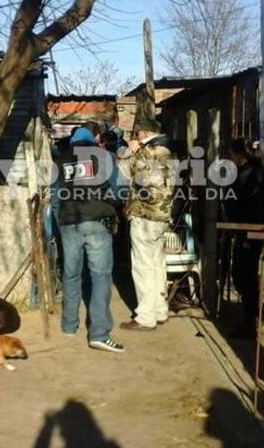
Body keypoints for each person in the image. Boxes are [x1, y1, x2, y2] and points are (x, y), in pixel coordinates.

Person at [54, 125, 125, 353]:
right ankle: (99, 333)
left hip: (69, 222)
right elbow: (120, 189)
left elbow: (55, 194)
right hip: (96, 221)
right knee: (101, 276)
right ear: (95, 138)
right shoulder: (104, 156)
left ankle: (68, 325)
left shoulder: (61, 159)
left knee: (71, 274)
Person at [117, 118, 175, 332]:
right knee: (157, 264)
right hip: (162, 215)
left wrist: (129, 152)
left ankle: (145, 317)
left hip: (144, 215)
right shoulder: (169, 150)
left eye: (135, 134)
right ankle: (160, 310)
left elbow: (124, 172)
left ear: (142, 133)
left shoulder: (147, 151)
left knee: (143, 267)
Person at [223, 138, 264, 338]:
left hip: (249, 231)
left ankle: (250, 320)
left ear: (241, 155)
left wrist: (244, 235)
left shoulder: (251, 174)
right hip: (246, 231)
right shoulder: (252, 171)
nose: (230, 158)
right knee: (243, 275)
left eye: (232, 154)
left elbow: (248, 205)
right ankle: (249, 317)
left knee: (245, 276)